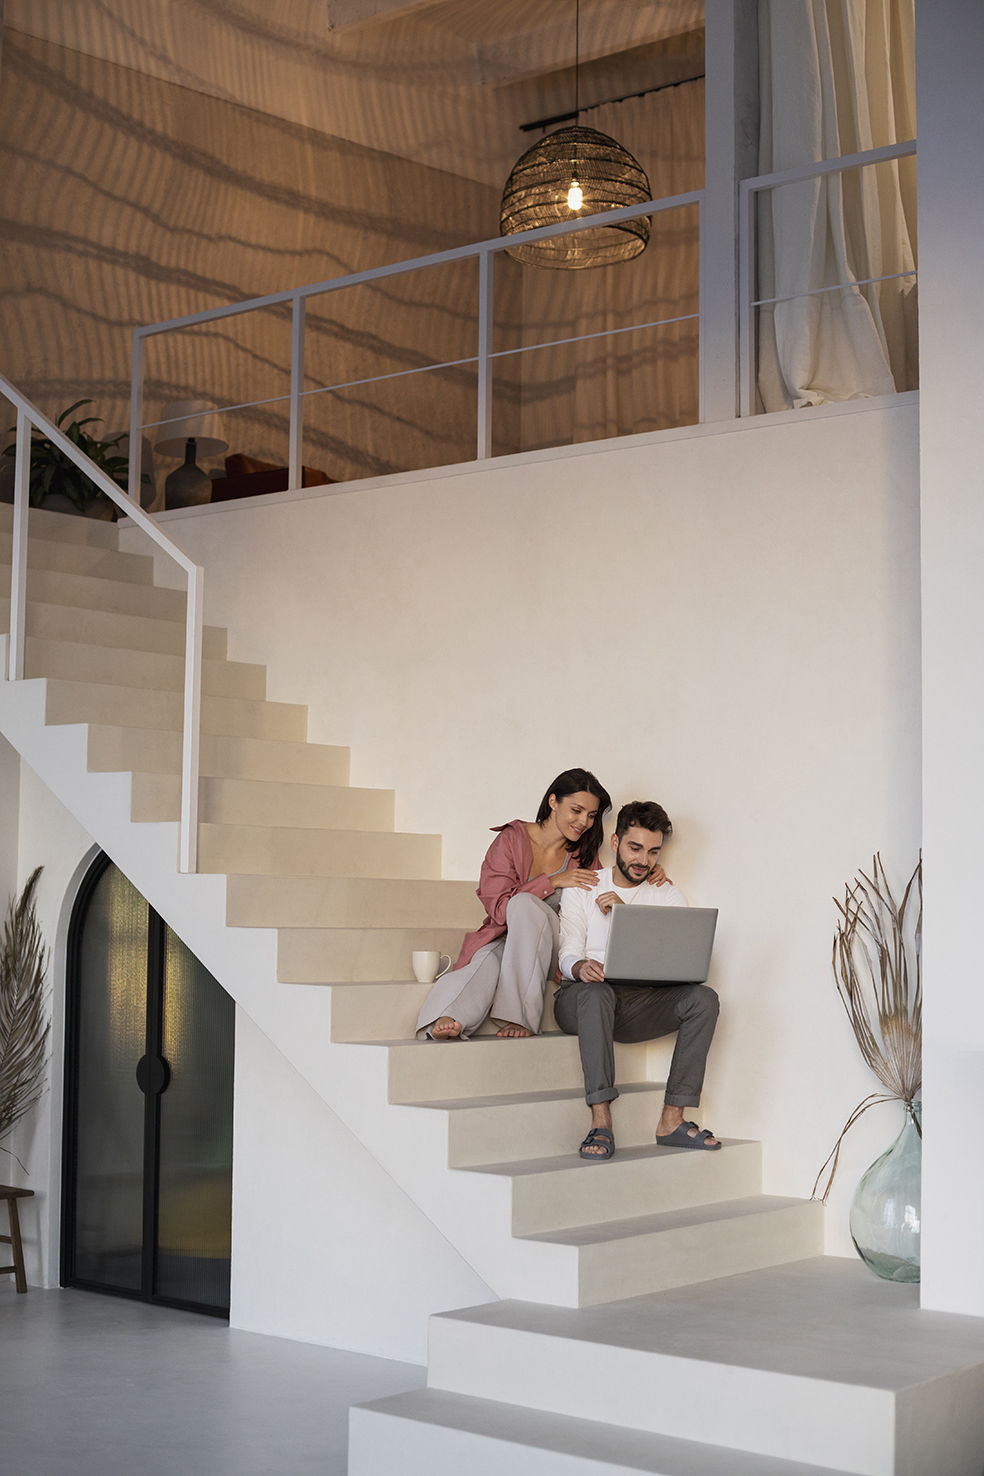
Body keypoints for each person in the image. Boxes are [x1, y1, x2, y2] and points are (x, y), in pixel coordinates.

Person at [556, 799, 721, 1159]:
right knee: (596, 993)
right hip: (582, 998)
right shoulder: (583, 887)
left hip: (636, 1004)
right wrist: (580, 966)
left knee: (703, 999)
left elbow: (679, 962)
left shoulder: (667, 894)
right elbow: (567, 951)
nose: (643, 860)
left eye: (652, 852)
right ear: (615, 843)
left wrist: (624, 915)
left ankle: (672, 1120)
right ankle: (601, 1120)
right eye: (634, 848)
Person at [416, 768, 619, 1041]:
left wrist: (646, 874)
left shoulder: (583, 855)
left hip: (557, 949)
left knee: (523, 905)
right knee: (489, 956)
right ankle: (448, 1015)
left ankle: (518, 1016)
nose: (584, 821)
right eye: (577, 810)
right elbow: (499, 909)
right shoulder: (511, 840)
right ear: (553, 802)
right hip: (509, 939)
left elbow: (601, 898)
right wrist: (553, 881)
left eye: (591, 815)